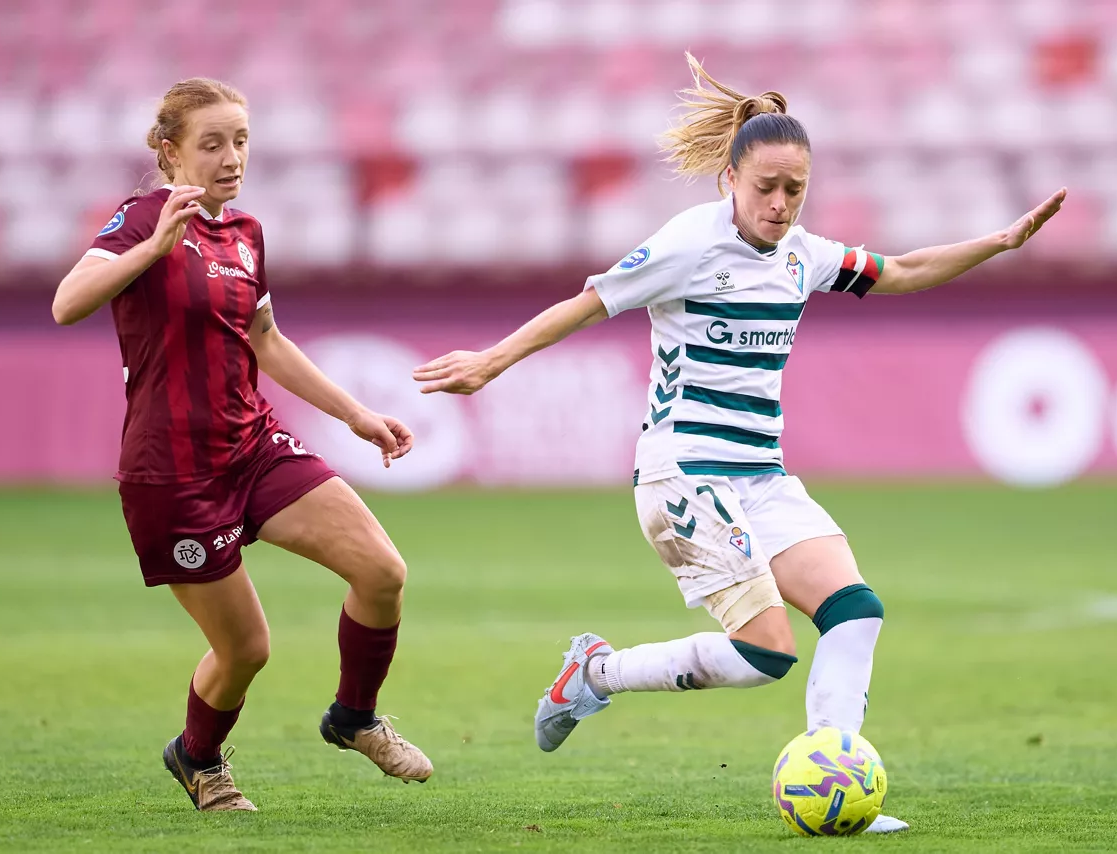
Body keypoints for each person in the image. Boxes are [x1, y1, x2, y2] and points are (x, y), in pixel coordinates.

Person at [413, 54, 1065, 834]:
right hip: (684, 474)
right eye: (766, 187)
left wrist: (1000, 241)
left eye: (795, 189)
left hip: (760, 477)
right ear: (730, 179)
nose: (780, 204)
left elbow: (903, 269)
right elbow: (588, 303)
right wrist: (492, 360)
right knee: (766, 654)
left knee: (856, 612)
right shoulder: (689, 244)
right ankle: (596, 672)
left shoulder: (802, 255)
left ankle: (835, 776)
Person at [52, 78, 433, 811]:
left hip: (252, 446)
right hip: (173, 473)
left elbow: (266, 340)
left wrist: (356, 416)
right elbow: (67, 304)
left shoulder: (245, 233)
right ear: (170, 152)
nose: (232, 158)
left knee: (382, 571)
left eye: (241, 141)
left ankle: (354, 717)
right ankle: (197, 758)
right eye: (212, 144)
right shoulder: (141, 219)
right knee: (246, 650)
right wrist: (153, 247)